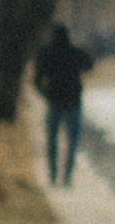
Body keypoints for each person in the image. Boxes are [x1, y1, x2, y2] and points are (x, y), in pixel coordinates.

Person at [34, 20, 92, 185]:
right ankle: (67, 176)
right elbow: (90, 63)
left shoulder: (47, 53)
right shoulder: (75, 52)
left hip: (54, 102)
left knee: (52, 140)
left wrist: (46, 95)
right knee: (72, 142)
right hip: (74, 101)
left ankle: (52, 175)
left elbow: (36, 80)